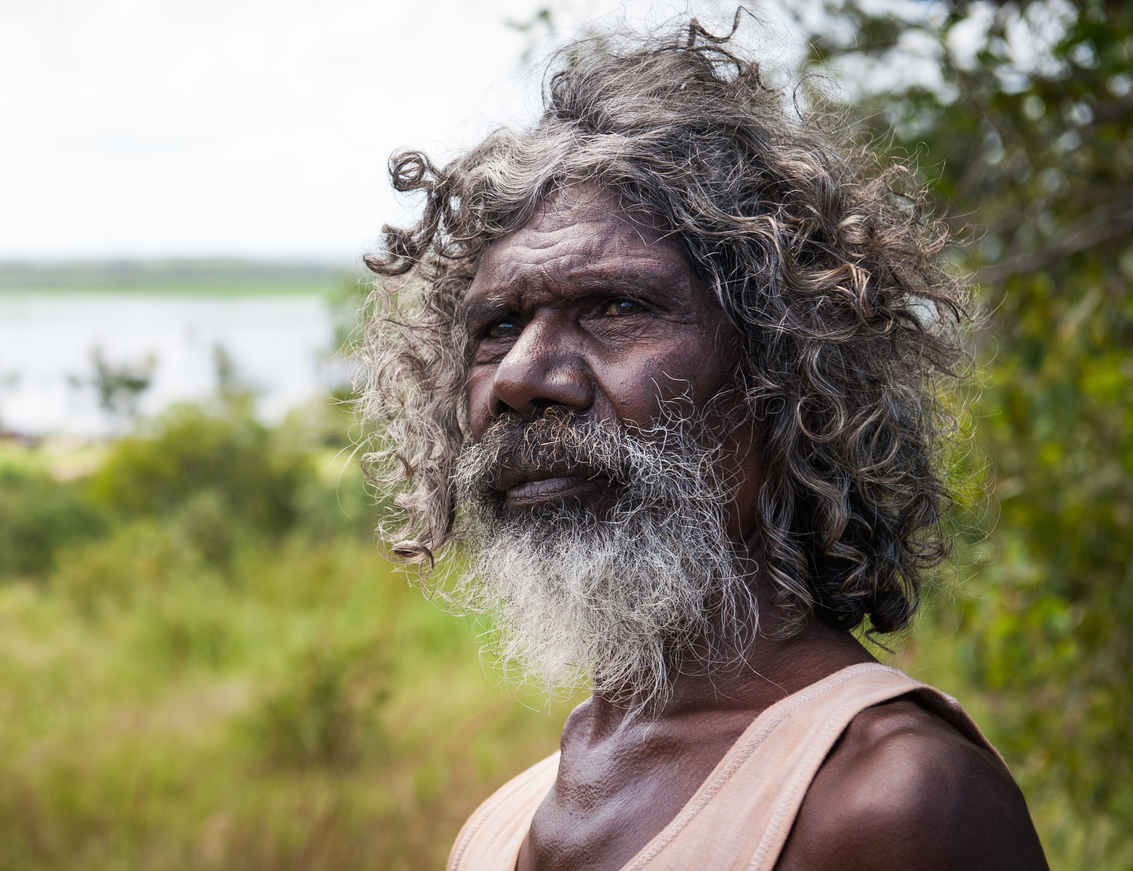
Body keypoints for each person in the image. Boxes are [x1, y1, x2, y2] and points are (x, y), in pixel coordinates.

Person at [354, 21, 1049, 871]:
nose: (522, 376)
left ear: (783, 363)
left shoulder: (891, 802)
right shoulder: (503, 820)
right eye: (497, 326)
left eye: (614, 307)